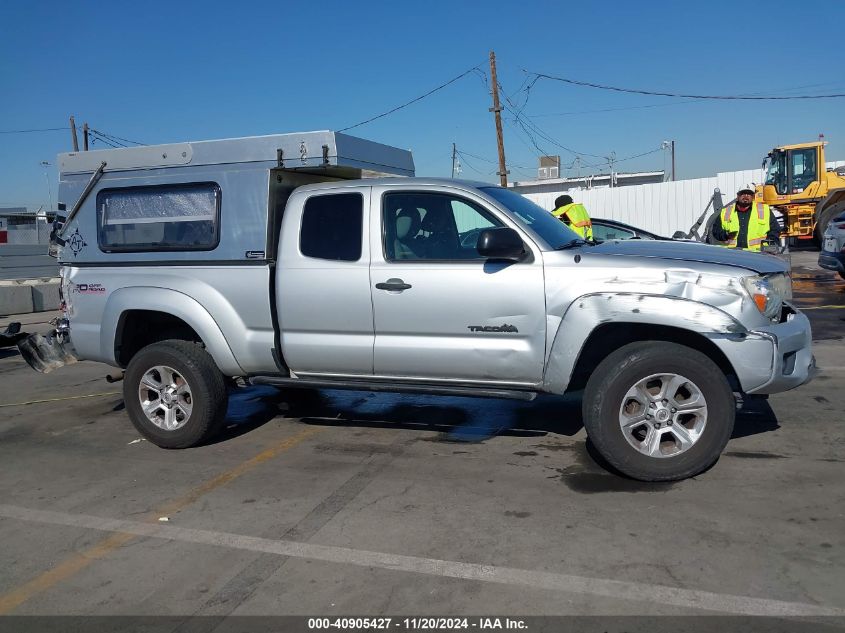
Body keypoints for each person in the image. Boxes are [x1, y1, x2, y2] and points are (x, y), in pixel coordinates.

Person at [711, 184, 780, 252]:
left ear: (753, 197)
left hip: (758, 254)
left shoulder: (764, 210)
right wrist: (725, 235)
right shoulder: (726, 211)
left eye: (749, 194)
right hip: (732, 254)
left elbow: (775, 230)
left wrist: (769, 246)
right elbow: (716, 231)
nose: (746, 196)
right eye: (743, 194)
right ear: (738, 196)